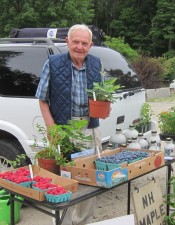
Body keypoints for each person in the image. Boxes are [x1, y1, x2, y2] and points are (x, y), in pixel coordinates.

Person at [35, 24, 103, 225]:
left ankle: (83, 221)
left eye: (84, 43)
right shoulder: (53, 63)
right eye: (76, 42)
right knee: (64, 177)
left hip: (90, 128)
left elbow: (101, 94)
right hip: (63, 128)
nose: (80, 47)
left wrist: (103, 106)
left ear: (90, 45)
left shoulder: (96, 64)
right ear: (67, 42)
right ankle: (63, 221)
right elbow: (42, 98)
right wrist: (51, 126)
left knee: (90, 178)